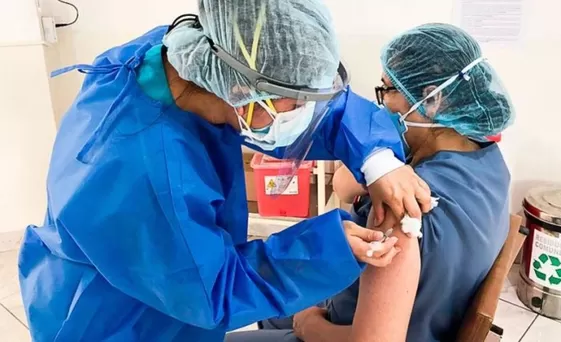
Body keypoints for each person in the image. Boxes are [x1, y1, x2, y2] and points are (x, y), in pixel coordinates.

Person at [18, 1, 436, 341]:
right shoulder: (145, 172)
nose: (309, 114)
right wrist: (327, 248)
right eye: (297, 101)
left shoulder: (189, 56)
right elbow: (211, 290)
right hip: (118, 321)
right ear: (243, 93)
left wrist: (377, 158)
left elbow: (312, 100)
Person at [227, 23, 514, 342]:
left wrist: (310, 327)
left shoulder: (401, 210)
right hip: (422, 317)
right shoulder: (491, 163)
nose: (381, 106)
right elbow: (345, 186)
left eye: (388, 90)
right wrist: (381, 160)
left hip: (350, 329)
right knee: (275, 308)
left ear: (433, 99)